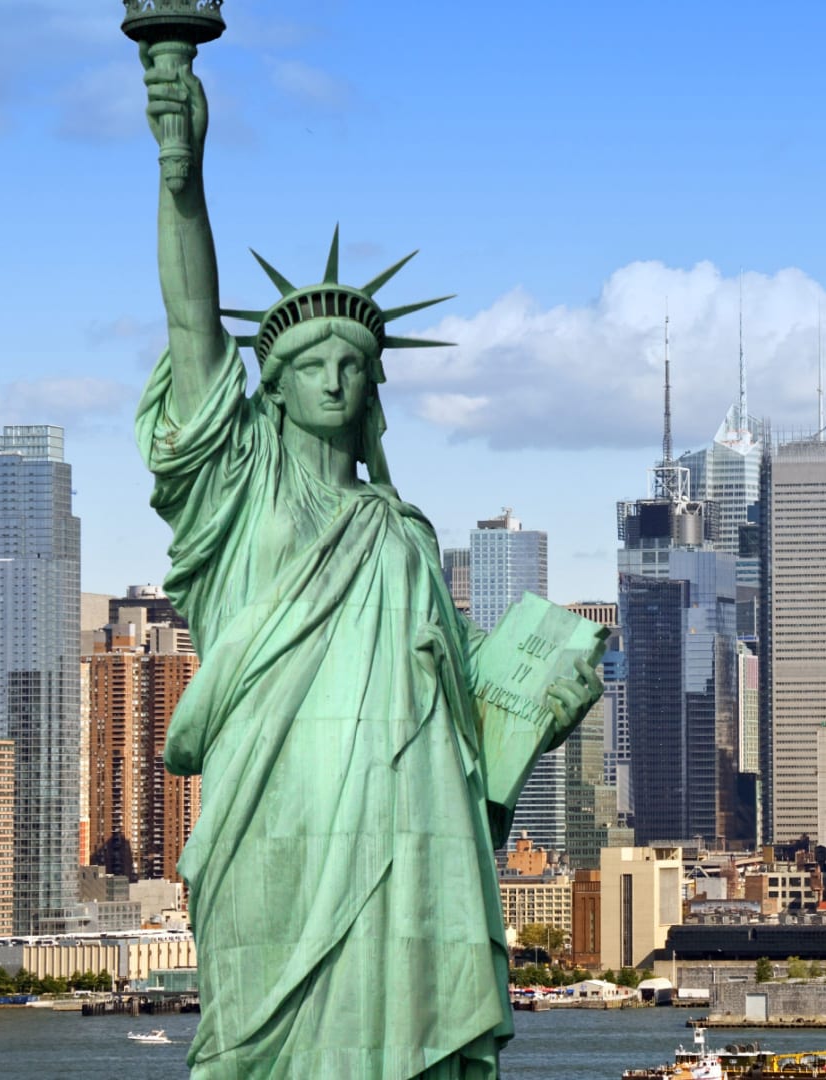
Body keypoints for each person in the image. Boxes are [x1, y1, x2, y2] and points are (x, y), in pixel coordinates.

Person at [137, 42, 602, 1078]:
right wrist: (183, 177)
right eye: (314, 366)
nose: (338, 381)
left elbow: (456, 739)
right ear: (276, 383)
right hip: (275, 803)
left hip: (404, 824)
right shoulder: (239, 484)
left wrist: (536, 708)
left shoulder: (403, 537)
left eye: (356, 365)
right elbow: (189, 320)